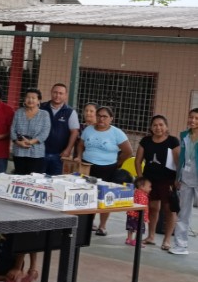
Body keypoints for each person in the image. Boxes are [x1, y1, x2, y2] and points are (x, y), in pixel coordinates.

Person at [76, 106, 132, 235]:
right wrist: (78, 156)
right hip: (88, 167)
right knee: (88, 196)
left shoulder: (117, 133)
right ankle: (88, 223)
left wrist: (117, 163)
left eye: (105, 116)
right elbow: (80, 144)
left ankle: (102, 226)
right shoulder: (88, 130)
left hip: (108, 168)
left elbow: (128, 151)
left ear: (111, 118)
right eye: (99, 116)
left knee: (105, 198)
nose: (101, 119)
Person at [135, 114, 180, 249]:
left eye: (161, 125)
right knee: (153, 208)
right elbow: (138, 161)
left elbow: (178, 162)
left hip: (168, 180)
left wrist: (178, 179)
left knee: (169, 209)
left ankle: (167, 240)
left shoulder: (173, 141)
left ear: (166, 127)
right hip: (150, 180)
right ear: (151, 127)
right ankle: (151, 236)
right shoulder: (145, 141)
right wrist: (141, 178)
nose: (158, 127)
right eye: (155, 125)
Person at [171, 108, 198, 256]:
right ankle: (180, 246)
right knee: (183, 214)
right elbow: (181, 158)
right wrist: (178, 177)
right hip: (186, 178)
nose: (192, 120)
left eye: (196, 118)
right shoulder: (184, 135)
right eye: (191, 117)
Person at [40, 83, 80, 176]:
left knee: (55, 181)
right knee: (38, 179)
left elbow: (74, 132)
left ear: (65, 95)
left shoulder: (70, 112)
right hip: (40, 152)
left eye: (61, 93)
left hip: (59, 155)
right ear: (51, 92)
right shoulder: (41, 108)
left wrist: (68, 150)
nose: (57, 95)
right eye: (55, 92)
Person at [10, 88, 50, 175]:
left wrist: (30, 142)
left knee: (33, 179)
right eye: (28, 97)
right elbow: (12, 130)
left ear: (38, 101)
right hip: (19, 151)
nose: (30, 100)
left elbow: (44, 133)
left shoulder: (44, 114)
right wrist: (18, 142)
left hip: (36, 153)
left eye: (33, 98)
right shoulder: (18, 112)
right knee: (19, 178)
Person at [127, 176, 151, 246]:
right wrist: (145, 218)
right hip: (138, 216)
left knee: (131, 227)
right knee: (139, 229)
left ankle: (129, 239)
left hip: (131, 213)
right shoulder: (143, 196)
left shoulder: (135, 192)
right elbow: (142, 208)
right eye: (149, 187)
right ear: (142, 187)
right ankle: (136, 241)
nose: (150, 189)